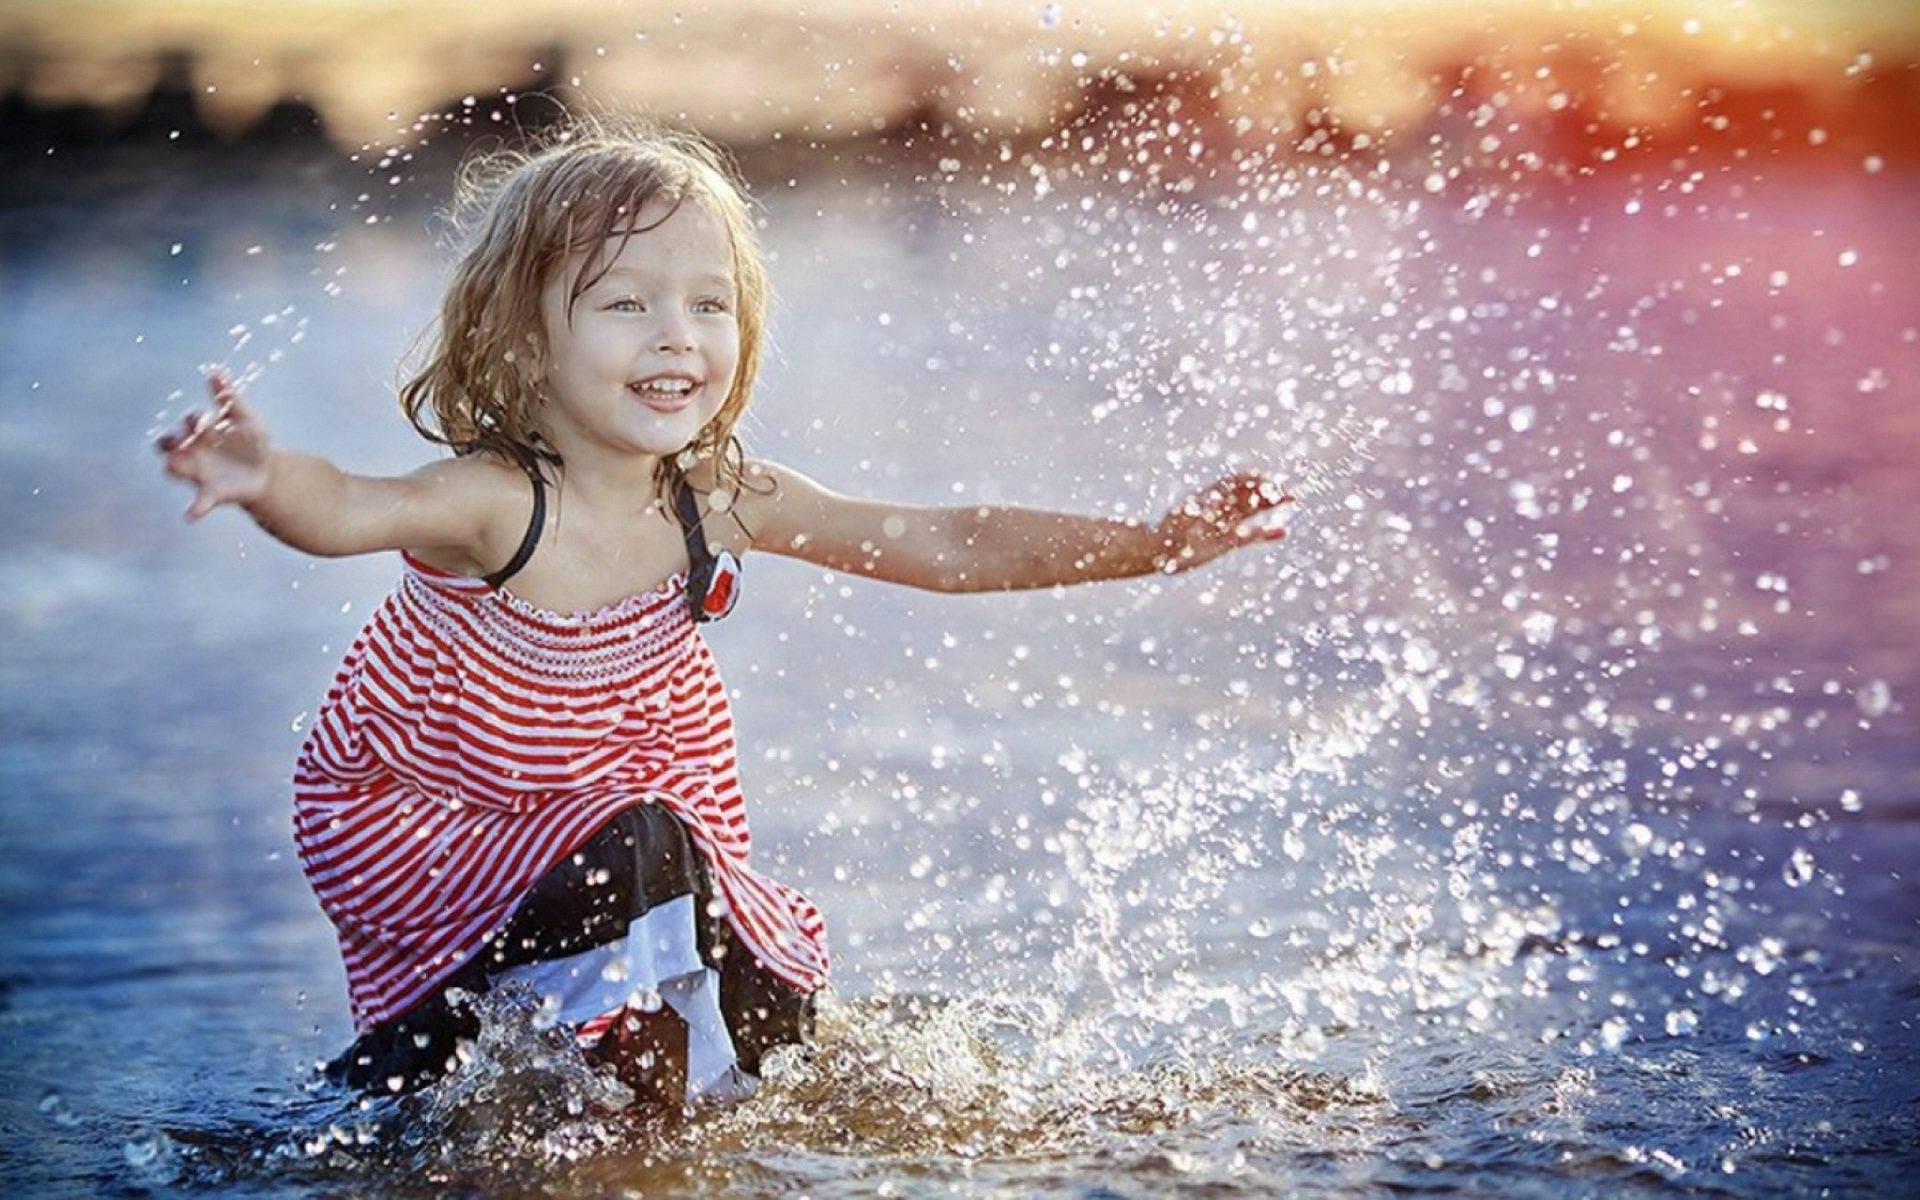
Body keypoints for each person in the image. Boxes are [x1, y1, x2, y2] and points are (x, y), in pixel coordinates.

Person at [154, 113, 1295, 1112]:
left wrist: (1153, 545)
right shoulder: (500, 502)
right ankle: (448, 1074)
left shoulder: (715, 497)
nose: (676, 336)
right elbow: (352, 506)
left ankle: (678, 1114)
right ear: (523, 341)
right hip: (443, 829)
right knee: (639, 848)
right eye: (625, 303)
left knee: (748, 982)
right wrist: (266, 482)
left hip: (626, 830)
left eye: (711, 304)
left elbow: (946, 543)